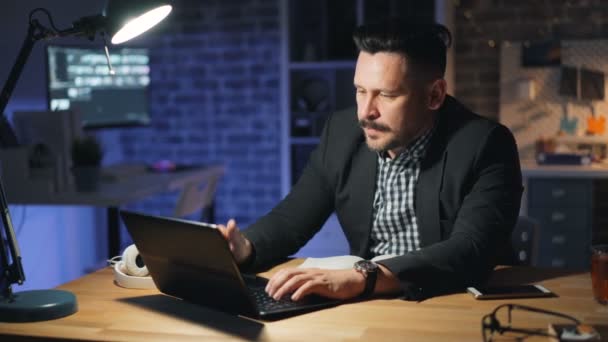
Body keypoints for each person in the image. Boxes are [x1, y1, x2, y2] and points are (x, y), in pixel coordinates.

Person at [218, 20, 523, 302]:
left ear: (434, 95)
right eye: (360, 91)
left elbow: (470, 250)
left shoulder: (486, 144)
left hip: (449, 301)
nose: (366, 112)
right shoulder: (341, 133)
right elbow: (293, 218)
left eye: (386, 95)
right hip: (368, 304)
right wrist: (244, 248)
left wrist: (362, 277)